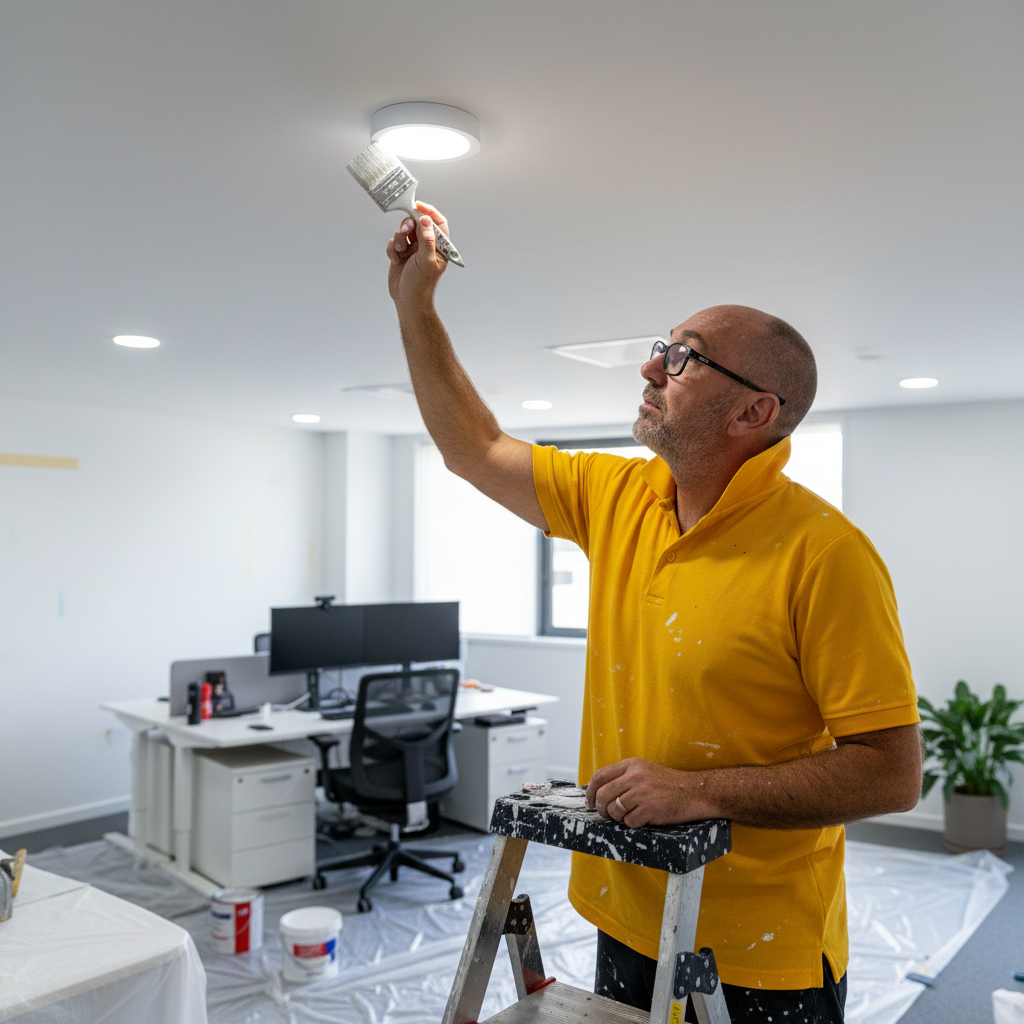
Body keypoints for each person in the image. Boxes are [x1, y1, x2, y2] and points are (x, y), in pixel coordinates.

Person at [383, 204, 922, 1023]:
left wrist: (703, 790)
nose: (650, 369)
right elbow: (475, 449)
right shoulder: (619, 496)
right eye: (663, 348)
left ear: (754, 412)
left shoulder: (825, 553)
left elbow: (891, 771)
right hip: (630, 907)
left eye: (685, 359)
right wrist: (415, 308)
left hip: (760, 948)